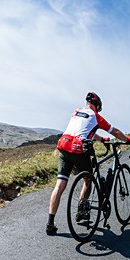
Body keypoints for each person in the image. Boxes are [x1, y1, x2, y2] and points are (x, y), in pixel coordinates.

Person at [46, 92, 130, 235]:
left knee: (60, 185)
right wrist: (127, 140)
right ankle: (82, 210)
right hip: (78, 151)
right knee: (88, 180)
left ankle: (50, 223)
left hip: (64, 148)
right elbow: (114, 131)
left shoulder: (76, 112)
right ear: (97, 106)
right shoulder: (96, 116)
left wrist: (102, 140)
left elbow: (87, 131)